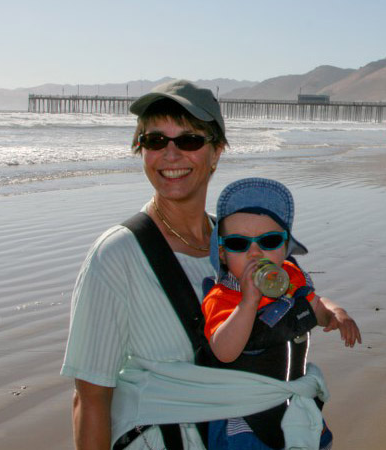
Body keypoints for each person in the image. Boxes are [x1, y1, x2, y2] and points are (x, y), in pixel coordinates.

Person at [61, 80, 352, 450]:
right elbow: (90, 397)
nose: (170, 154)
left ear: (216, 152)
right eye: (155, 140)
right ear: (141, 150)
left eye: (189, 140)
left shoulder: (245, 244)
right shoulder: (116, 256)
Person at [202, 178, 362, 449]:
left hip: (294, 408)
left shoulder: (291, 279)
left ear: (285, 248)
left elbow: (314, 305)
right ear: (223, 254)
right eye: (240, 244)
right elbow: (224, 351)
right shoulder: (222, 298)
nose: (255, 253)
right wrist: (248, 303)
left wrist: (336, 314)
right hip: (245, 421)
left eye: (269, 240)